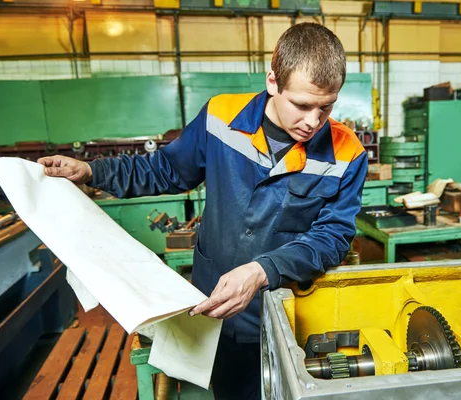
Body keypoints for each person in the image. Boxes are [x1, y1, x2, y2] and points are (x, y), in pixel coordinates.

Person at [38, 22, 367, 400]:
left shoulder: (347, 152)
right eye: (303, 105)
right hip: (217, 312)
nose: (313, 121)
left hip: (291, 317)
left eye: (326, 107)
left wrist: (263, 270)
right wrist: (94, 171)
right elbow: (164, 170)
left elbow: (332, 237)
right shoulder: (220, 118)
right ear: (273, 81)